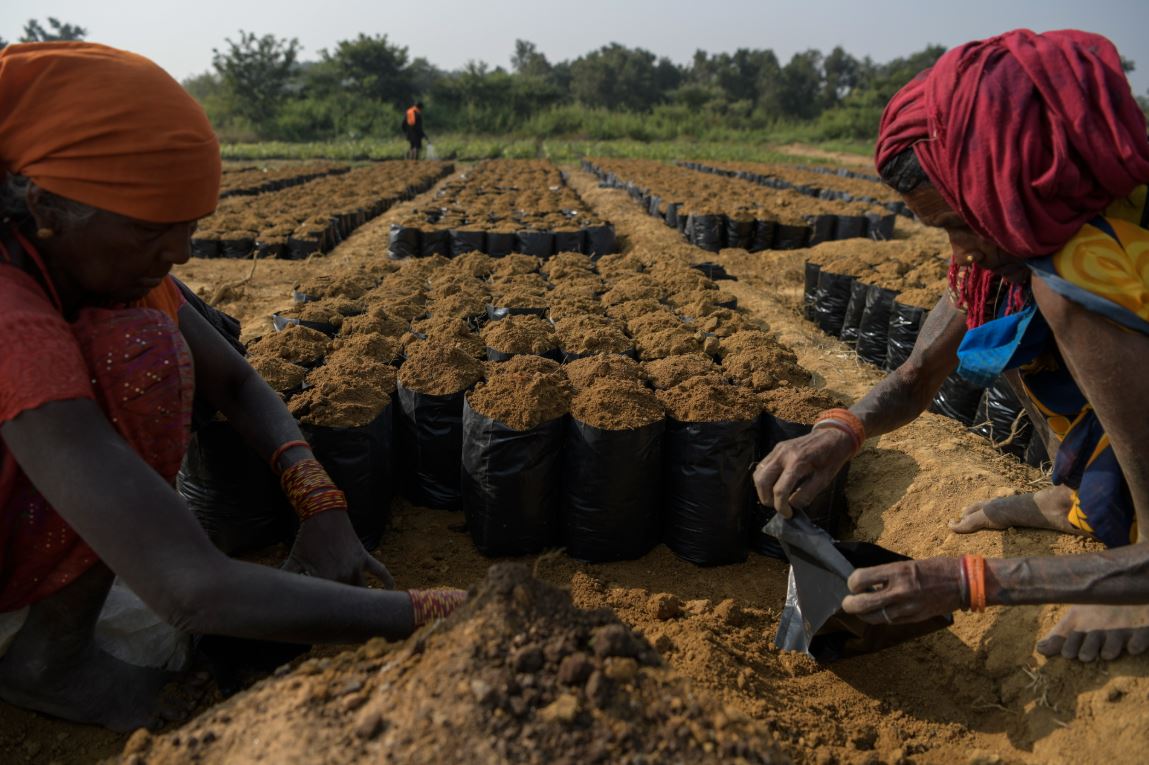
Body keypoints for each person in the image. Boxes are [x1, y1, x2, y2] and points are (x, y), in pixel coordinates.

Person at [0, 42, 466, 732]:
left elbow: (238, 381)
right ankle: (49, 660)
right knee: (140, 352)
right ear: (45, 205)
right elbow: (191, 589)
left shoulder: (78, 251)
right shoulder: (13, 324)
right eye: (158, 231)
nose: (182, 253)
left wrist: (320, 502)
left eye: (189, 227)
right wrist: (426, 614)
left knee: (159, 331)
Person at [754, 29, 1149, 663]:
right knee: (998, 317)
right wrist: (839, 431)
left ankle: (1130, 560)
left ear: (1013, 180)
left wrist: (969, 581)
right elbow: (916, 377)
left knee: (1048, 298)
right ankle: (1087, 500)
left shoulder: (1092, 273)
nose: (959, 251)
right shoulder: (1017, 242)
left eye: (959, 223)